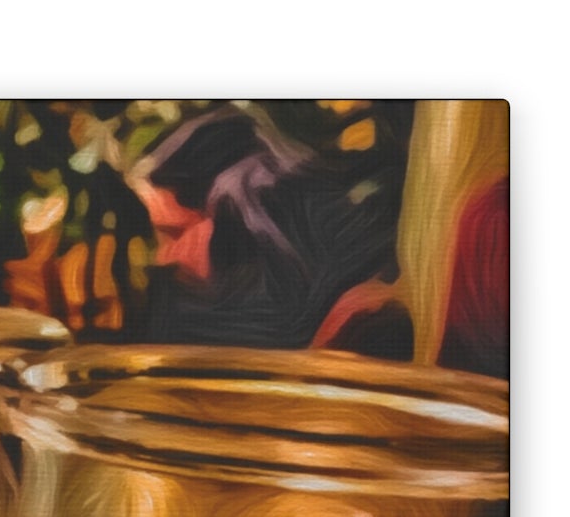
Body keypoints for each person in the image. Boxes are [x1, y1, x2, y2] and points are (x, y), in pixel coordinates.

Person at [131, 106, 404, 350]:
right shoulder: (172, 299)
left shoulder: (331, 284)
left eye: (172, 234)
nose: (161, 257)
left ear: (232, 217)